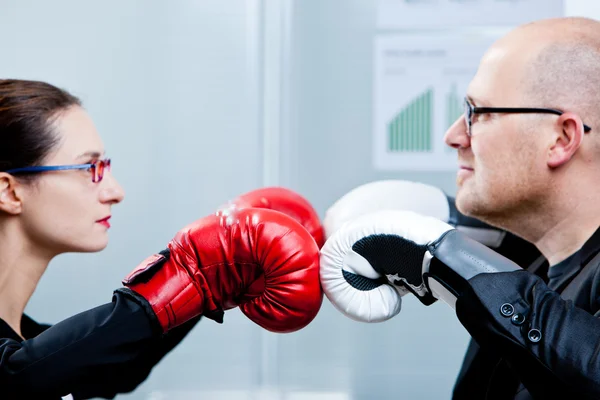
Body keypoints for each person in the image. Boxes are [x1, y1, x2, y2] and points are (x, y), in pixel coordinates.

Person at [319, 16, 600, 400]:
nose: (453, 136)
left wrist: (444, 255)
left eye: (478, 112)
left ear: (561, 138)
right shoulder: (541, 261)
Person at [0, 79, 324, 399]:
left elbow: (109, 371)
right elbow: (17, 380)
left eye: (105, 165)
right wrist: (190, 272)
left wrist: (213, 280)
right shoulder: (19, 369)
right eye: (89, 167)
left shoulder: (25, 339)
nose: (115, 191)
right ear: (9, 190)